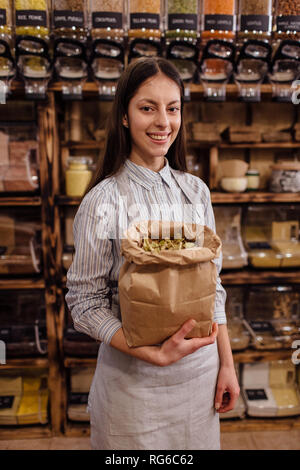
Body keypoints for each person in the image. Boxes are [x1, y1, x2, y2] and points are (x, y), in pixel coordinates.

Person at [65, 57, 240, 450]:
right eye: (148, 108)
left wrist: (227, 365)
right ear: (125, 116)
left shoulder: (196, 192)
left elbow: (215, 288)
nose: (163, 122)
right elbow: (84, 302)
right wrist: (151, 354)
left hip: (199, 377)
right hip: (134, 384)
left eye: (172, 108)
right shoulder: (103, 200)